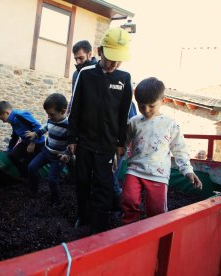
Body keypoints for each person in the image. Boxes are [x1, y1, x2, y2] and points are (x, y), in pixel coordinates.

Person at [68, 28, 134, 234]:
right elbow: (75, 107)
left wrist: (121, 143)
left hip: (107, 144)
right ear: (100, 51)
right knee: (82, 181)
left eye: (119, 59)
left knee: (103, 184)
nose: (114, 64)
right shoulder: (85, 74)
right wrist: (72, 137)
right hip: (85, 141)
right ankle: (83, 216)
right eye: (111, 58)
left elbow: (124, 114)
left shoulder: (124, 78)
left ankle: (99, 225)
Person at [120, 77, 203, 225]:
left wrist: (187, 170)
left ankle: (155, 235)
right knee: (129, 201)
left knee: (156, 211)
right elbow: (123, 144)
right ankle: (128, 230)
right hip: (135, 170)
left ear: (163, 100)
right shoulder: (134, 122)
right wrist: (115, 156)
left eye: (151, 106)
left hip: (158, 175)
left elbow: (180, 149)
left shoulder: (170, 124)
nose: (146, 110)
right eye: (141, 106)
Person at [25, 93, 70, 206]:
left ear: (63, 111)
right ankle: (33, 191)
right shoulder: (51, 120)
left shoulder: (69, 126)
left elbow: (72, 144)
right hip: (46, 151)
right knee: (31, 167)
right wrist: (35, 134)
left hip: (59, 157)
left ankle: (56, 200)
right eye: (47, 114)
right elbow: (44, 128)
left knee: (52, 180)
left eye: (51, 114)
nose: (49, 117)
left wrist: (67, 155)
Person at [0, 101, 45, 177]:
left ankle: (37, 181)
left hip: (37, 143)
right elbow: (15, 136)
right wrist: (9, 149)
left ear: (7, 113)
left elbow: (38, 127)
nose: (3, 121)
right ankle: (24, 177)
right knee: (12, 156)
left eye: (2, 118)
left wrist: (33, 143)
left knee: (29, 164)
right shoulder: (12, 121)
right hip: (25, 142)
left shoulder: (21, 115)